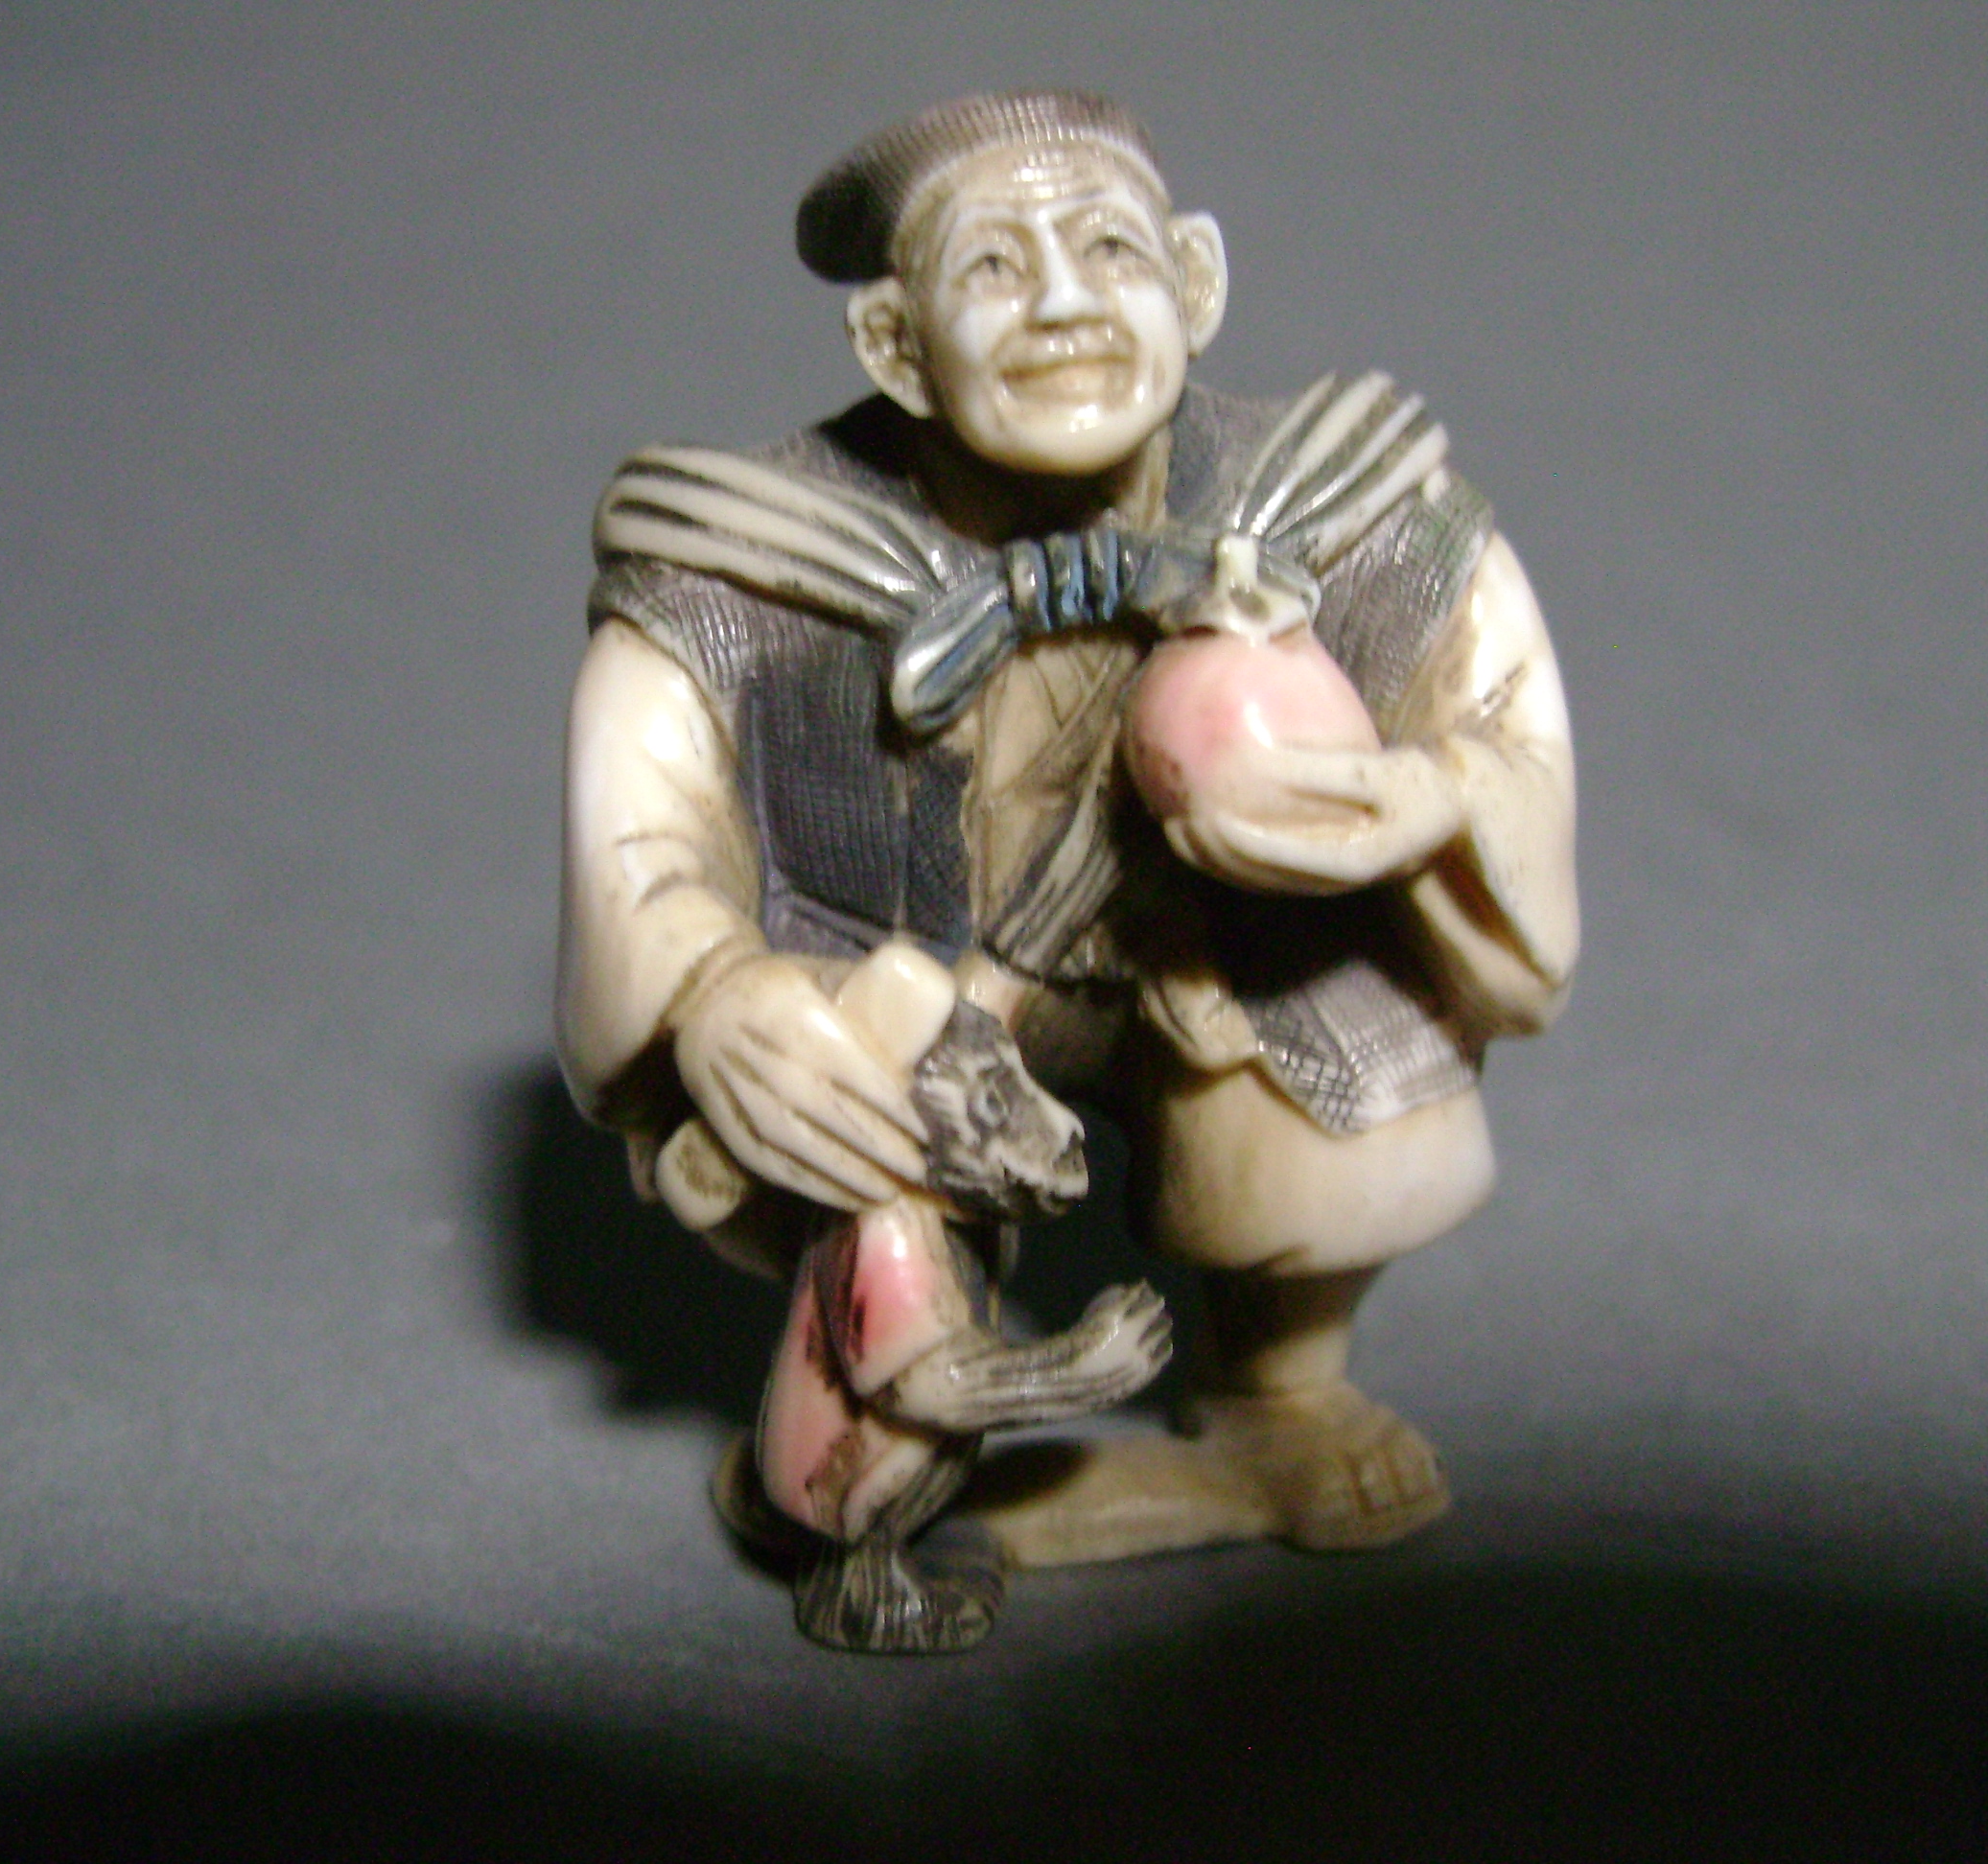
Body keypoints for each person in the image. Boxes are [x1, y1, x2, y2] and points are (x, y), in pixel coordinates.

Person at [555, 91, 1578, 1564]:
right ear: (893, 344)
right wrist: (712, 992)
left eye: (1111, 250)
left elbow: (1506, 727)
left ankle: (1278, 1391)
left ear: (1197, 284)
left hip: (1216, 970)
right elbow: (639, 834)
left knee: (1337, 1074)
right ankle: (872, 1430)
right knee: (865, 1221)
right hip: (910, 989)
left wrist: (1427, 804)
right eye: (992, 266)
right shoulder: (742, 572)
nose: (1063, 307)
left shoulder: (1350, 507)